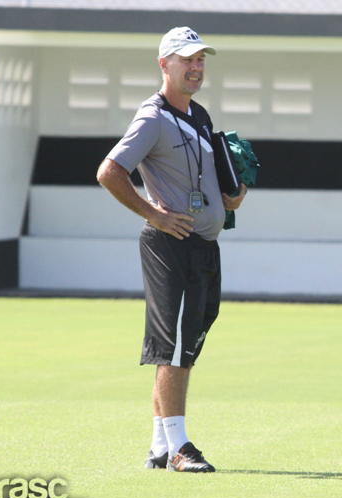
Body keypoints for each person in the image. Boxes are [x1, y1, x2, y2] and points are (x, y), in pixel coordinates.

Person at [97, 27, 247, 473]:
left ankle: (160, 446)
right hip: (171, 243)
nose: (196, 67)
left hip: (202, 245)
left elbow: (206, 182)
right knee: (174, 346)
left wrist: (231, 196)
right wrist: (154, 214)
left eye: (201, 60)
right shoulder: (153, 117)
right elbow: (110, 171)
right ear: (164, 65)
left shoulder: (198, 114)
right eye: (187, 60)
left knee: (186, 343)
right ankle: (180, 447)